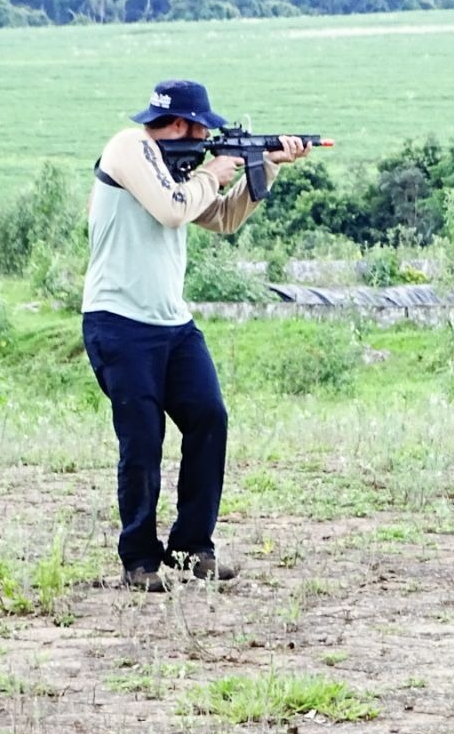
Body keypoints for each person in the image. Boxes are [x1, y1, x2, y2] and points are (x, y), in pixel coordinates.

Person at [82, 79, 310, 592]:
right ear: (183, 125)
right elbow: (173, 209)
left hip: (172, 325)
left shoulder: (178, 171)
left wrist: (265, 164)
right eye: (202, 127)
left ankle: (191, 549)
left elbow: (224, 218)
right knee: (142, 440)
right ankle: (139, 560)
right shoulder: (129, 147)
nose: (207, 136)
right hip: (119, 322)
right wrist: (214, 170)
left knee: (209, 418)